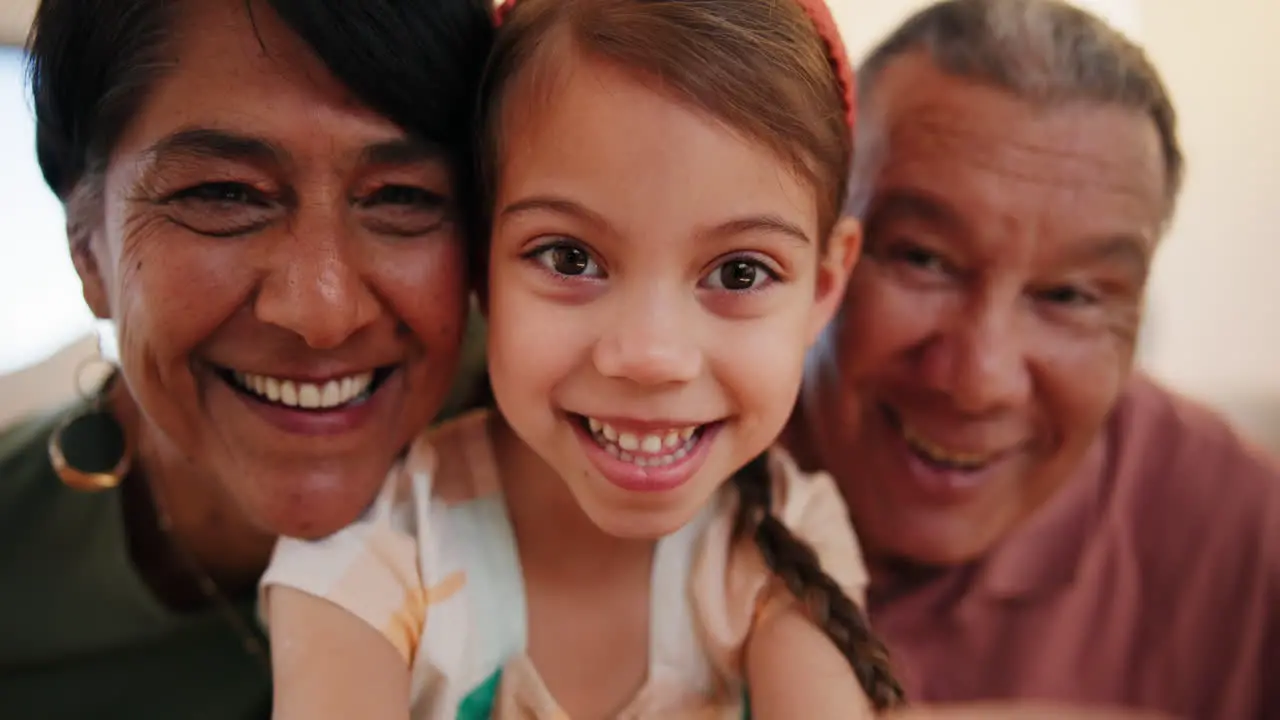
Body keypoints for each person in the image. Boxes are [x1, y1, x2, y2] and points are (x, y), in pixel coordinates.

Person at [260, 0, 909, 717]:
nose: (651, 357)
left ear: (823, 285)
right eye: (570, 258)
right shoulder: (374, 550)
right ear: (478, 265)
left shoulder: (789, 538)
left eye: (739, 273)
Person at [786, 1, 1280, 718]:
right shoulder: (661, 469)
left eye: (1070, 296)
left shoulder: (1238, 536)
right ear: (825, 249)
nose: (978, 379)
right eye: (923, 259)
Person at [0, 0, 492, 717]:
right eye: (224, 194)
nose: (323, 313)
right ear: (86, 249)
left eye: (401, 196)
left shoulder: (583, 465)